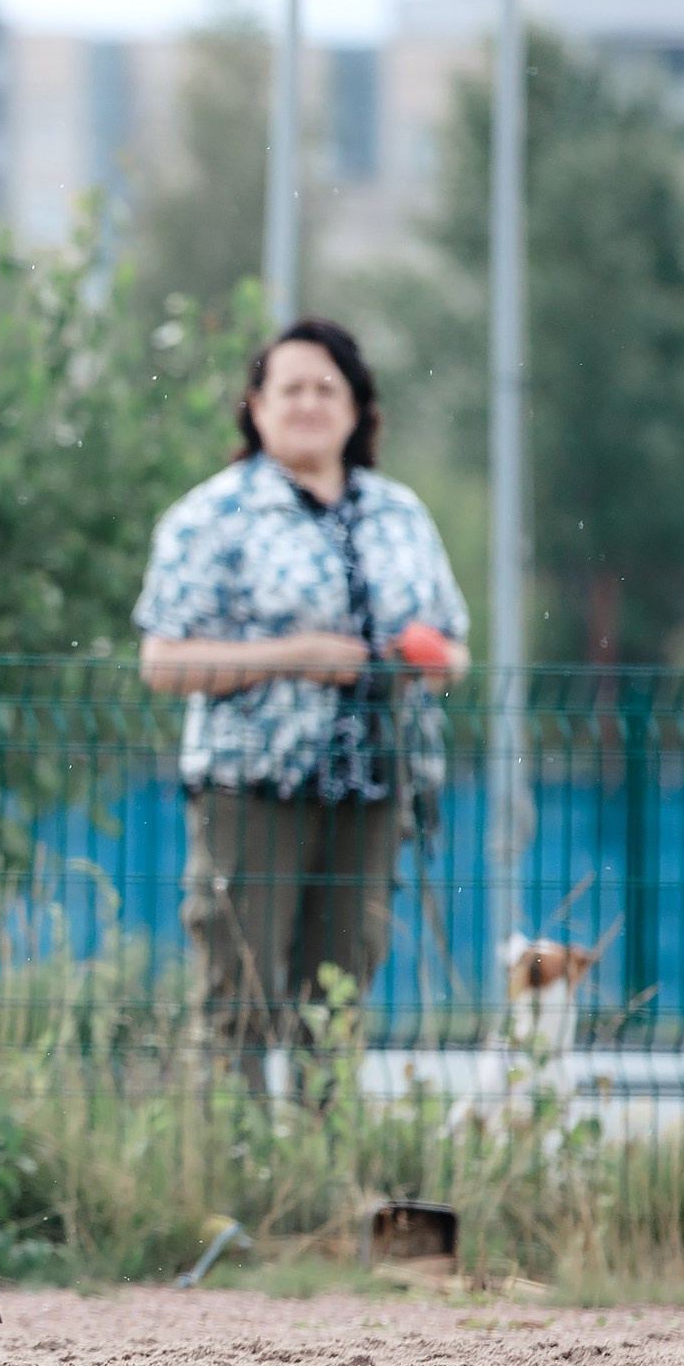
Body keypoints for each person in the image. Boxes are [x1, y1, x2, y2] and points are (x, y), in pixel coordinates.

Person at [133, 318, 470, 1094]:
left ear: (359, 410)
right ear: (255, 405)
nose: (310, 403)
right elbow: (162, 660)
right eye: (292, 388)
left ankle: (320, 1185)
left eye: (329, 388)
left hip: (375, 790)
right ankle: (231, 1195)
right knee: (239, 998)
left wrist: (424, 659)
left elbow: (454, 650)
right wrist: (294, 657)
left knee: (338, 1004)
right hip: (253, 793)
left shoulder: (401, 514)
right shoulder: (211, 516)